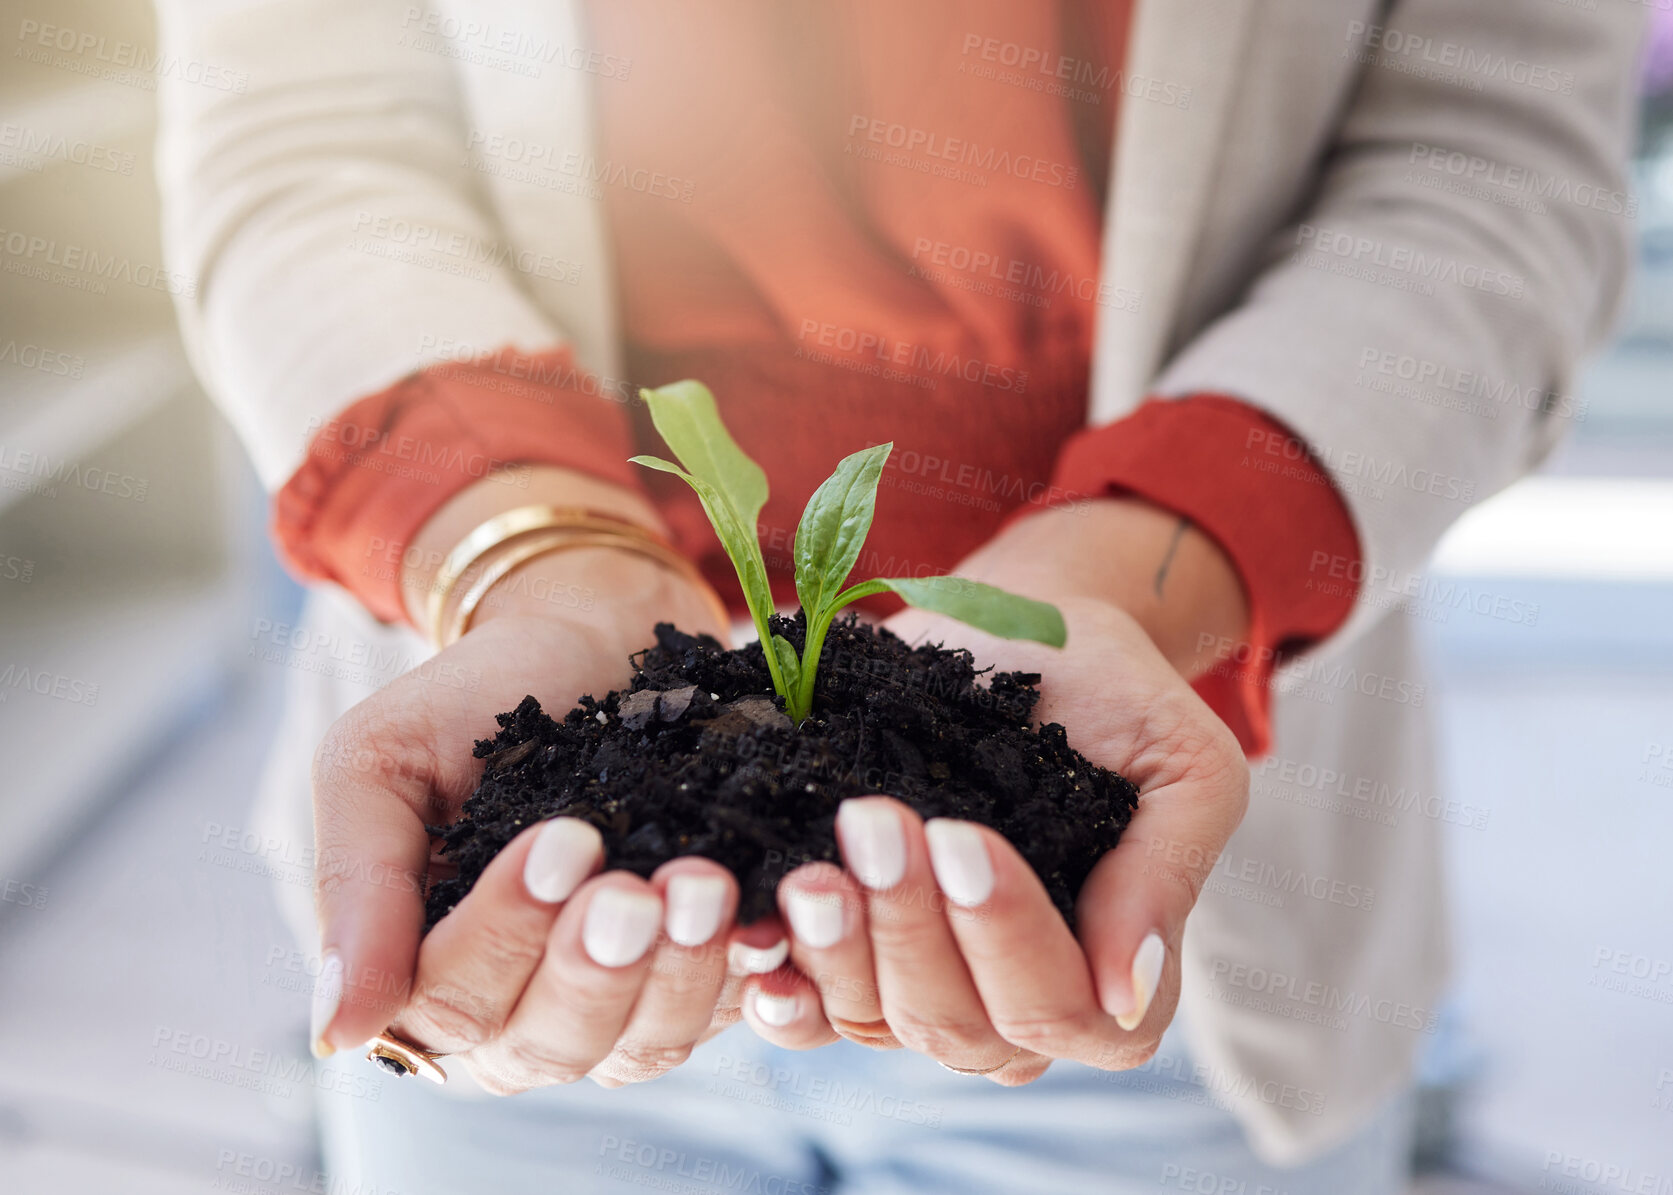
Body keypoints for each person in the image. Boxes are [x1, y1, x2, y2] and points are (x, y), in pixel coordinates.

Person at [154, 2, 1643, 1191]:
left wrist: (1114, 580)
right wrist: (527, 555)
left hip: (1170, 900)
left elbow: (1483, 167)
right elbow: (303, 138)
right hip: (509, 895)